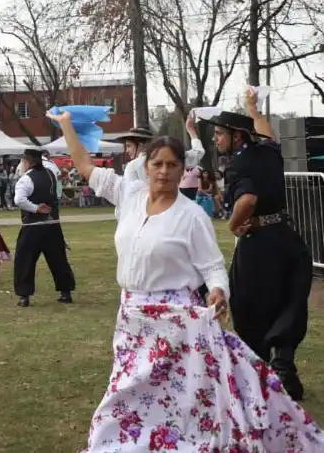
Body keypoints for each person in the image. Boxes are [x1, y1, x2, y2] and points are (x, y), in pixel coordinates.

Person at [49, 109, 324, 452]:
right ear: (146, 166)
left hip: (176, 321)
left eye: (172, 165)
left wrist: (219, 291)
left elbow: (212, 267)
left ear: (183, 170)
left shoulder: (192, 216)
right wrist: (66, 125)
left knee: (177, 396)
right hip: (132, 318)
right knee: (126, 390)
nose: (164, 171)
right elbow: (84, 164)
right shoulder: (128, 195)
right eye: (158, 163)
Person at [203, 89, 312, 401]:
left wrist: (233, 225)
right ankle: (283, 364)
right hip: (287, 238)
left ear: (237, 136)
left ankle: (267, 369)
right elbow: (267, 132)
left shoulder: (239, 163)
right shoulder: (268, 151)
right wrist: (253, 109)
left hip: (258, 242)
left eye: (220, 134)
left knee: (247, 306)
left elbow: (247, 200)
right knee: (289, 300)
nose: (216, 139)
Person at [13, 149, 76, 306]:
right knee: (58, 259)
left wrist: (35, 208)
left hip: (32, 226)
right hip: (52, 224)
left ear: (27, 161)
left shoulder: (26, 179)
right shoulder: (51, 174)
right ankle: (66, 292)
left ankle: (24, 296)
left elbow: (19, 200)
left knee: (25, 260)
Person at [115, 116, 204, 185]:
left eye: (129, 146)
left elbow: (129, 196)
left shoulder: (132, 166)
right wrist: (191, 130)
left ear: (141, 145)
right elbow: (198, 153)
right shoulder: (170, 156)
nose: (127, 150)